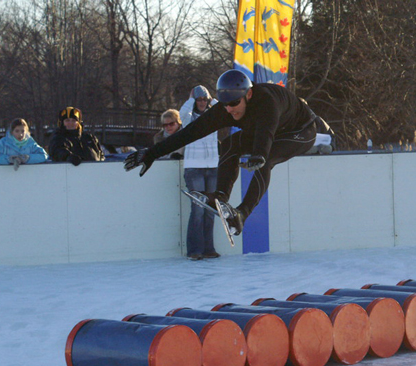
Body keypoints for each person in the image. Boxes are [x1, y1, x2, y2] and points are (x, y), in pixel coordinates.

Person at [125, 69, 318, 236]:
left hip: (300, 131)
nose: (229, 109)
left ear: (248, 95)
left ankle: (242, 214)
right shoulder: (225, 109)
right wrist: (152, 153)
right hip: (269, 131)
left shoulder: (266, 102)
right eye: (225, 104)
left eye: (234, 103)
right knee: (229, 144)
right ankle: (220, 196)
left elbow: (265, 134)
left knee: (266, 161)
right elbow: (189, 133)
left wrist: (258, 155)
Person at [179, 85, 220, 260]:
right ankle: (194, 250)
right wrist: (191, 97)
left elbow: (223, 105)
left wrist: (212, 97)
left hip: (212, 167)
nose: (202, 103)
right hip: (193, 167)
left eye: (205, 99)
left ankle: (208, 248)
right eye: (199, 100)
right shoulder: (189, 120)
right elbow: (182, 113)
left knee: (210, 209)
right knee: (198, 209)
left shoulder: (214, 117)